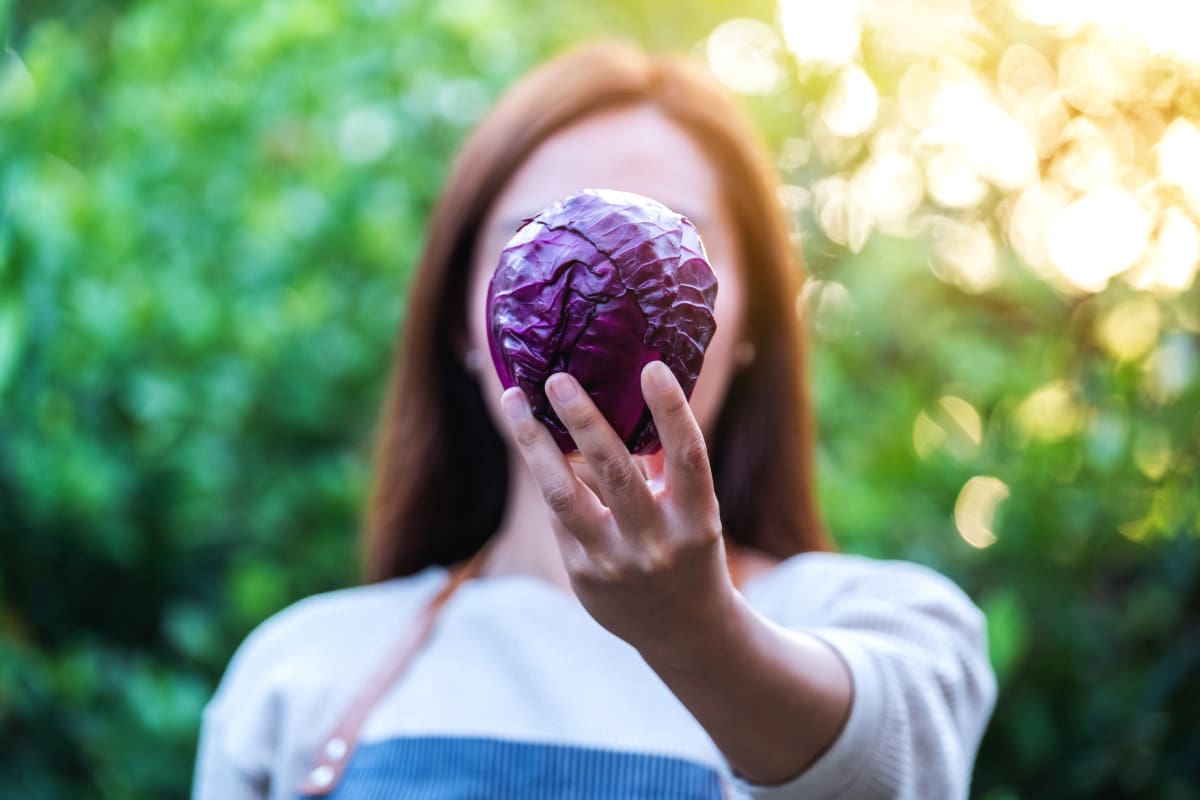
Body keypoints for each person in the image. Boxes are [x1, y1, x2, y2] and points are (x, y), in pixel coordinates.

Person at [192, 41, 996, 800]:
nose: (603, 288)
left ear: (748, 324)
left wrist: (698, 634)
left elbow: (888, 773)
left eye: (663, 242)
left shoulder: (886, 627)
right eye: (535, 239)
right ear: (461, 323)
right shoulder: (301, 673)